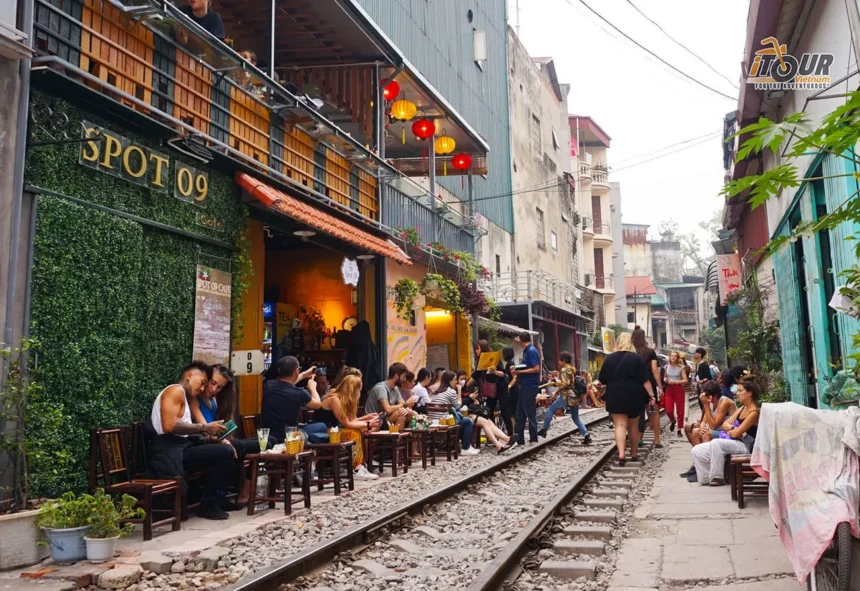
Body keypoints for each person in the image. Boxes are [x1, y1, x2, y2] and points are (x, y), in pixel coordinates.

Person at [147, 361, 234, 520]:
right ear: (189, 376)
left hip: (180, 449)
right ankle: (208, 504)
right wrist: (203, 427)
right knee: (224, 452)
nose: (202, 389)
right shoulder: (175, 390)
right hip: (169, 452)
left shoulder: (185, 397)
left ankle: (213, 500)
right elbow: (169, 425)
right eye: (202, 383)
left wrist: (208, 436)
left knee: (227, 450)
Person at [598, 333, 656, 464]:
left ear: (618, 342)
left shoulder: (609, 358)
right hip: (634, 394)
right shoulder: (636, 359)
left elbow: (602, 379)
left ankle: (622, 454)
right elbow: (645, 380)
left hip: (615, 393)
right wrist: (652, 396)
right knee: (633, 425)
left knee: (619, 424)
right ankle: (634, 453)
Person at [691, 377, 761, 486]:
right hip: (734, 441)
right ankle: (705, 478)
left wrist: (732, 430)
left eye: (740, 391)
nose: (737, 393)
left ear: (749, 393)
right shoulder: (741, 409)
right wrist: (732, 429)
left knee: (716, 443)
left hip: (746, 445)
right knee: (696, 450)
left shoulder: (753, 412)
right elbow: (724, 425)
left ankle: (717, 477)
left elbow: (736, 433)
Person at [316, 374, 382, 480]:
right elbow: (347, 424)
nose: (359, 393)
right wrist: (369, 424)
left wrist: (367, 418)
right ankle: (356, 468)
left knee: (360, 430)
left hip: (335, 430)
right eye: (358, 390)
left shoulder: (344, 399)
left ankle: (360, 464)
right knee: (353, 433)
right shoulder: (334, 399)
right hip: (323, 430)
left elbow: (352, 421)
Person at [680, 380, 737, 482]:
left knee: (706, 433)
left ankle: (707, 468)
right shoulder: (711, 402)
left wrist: (705, 405)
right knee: (695, 431)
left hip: (728, 433)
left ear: (713, 396)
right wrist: (702, 426)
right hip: (720, 432)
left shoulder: (724, 402)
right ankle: (698, 465)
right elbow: (704, 421)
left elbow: (714, 425)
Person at [260, 356, 322, 443]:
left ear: (279, 370)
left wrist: (304, 375)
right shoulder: (300, 393)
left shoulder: (268, 386)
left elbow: (286, 385)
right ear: (296, 371)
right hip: (290, 437)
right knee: (321, 426)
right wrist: (312, 388)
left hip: (269, 436)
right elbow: (317, 404)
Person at [538, 352, 591, 444]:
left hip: (567, 395)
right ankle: (586, 434)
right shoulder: (572, 369)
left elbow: (566, 384)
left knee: (550, 409)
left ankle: (544, 429)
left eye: (560, 360)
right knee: (575, 418)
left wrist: (556, 386)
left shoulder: (564, 370)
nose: (558, 362)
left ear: (564, 360)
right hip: (575, 395)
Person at [428, 371, 479, 455]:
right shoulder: (451, 391)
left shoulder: (437, 391)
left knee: (463, 421)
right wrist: (459, 391)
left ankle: (467, 446)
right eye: (455, 380)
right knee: (468, 421)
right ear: (449, 381)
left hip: (434, 422)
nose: (456, 382)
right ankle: (465, 448)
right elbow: (458, 406)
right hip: (444, 422)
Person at [632, 328, 663, 448]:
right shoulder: (650, 352)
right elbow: (655, 370)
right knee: (653, 413)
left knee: (637, 414)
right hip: (649, 384)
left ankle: (638, 438)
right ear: (644, 337)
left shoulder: (631, 352)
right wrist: (660, 387)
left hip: (635, 385)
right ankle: (657, 439)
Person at [365, 363, 418, 430]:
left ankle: (404, 439)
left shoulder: (395, 388)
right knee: (400, 414)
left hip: (386, 419)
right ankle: (396, 439)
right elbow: (388, 409)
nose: (405, 379)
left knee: (412, 414)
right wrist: (405, 404)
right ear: (396, 376)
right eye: (403, 377)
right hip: (375, 420)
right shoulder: (381, 388)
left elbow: (402, 403)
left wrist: (405, 409)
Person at [512, 332, 541, 445]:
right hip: (525, 385)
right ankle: (520, 439)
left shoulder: (531, 351)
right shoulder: (528, 351)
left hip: (530, 385)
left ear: (521, 341)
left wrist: (520, 371)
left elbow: (536, 368)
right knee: (520, 413)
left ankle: (533, 438)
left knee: (529, 411)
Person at [663, 351, 688, 437]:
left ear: (677, 358)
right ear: (669, 357)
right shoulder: (666, 367)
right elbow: (665, 377)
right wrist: (665, 380)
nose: (673, 357)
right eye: (671, 356)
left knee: (680, 410)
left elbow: (685, 380)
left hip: (678, 389)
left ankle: (679, 429)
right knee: (668, 410)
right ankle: (673, 420)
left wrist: (676, 382)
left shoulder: (681, 367)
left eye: (675, 356)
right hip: (669, 389)